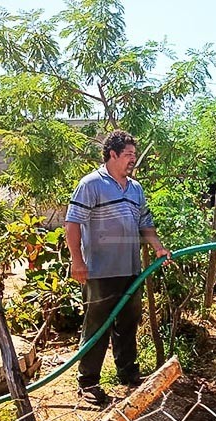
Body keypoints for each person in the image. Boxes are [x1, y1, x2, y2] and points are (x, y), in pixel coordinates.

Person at [65, 130, 171, 405]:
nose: (133, 160)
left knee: (128, 323)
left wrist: (158, 246)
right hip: (100, 271)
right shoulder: (91, 184)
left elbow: (145, 225)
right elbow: (72, 223)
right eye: (128, 155)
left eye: (134, 155)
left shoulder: (135, 189)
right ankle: (88, 382)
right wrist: (77, 260)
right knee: (97, 326)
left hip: (131, 269)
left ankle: (128, 373)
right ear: (112, 155)